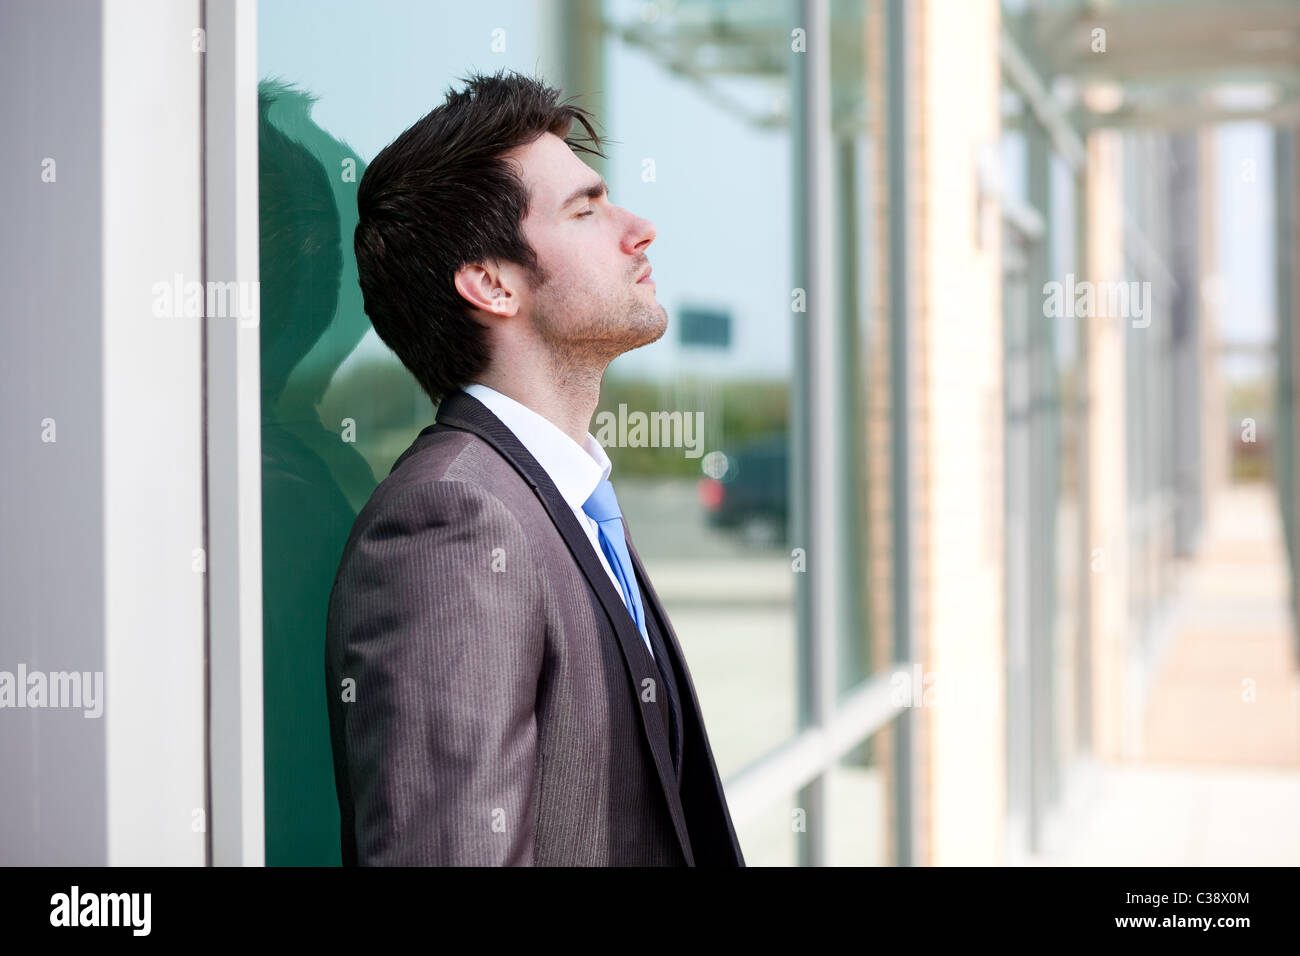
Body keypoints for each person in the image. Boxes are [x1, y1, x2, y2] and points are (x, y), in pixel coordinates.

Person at [325, 68, 745, 866]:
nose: (640, 228)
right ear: (491, 283)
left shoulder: (562, 496)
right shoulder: (451, 519)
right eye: (587, 210)